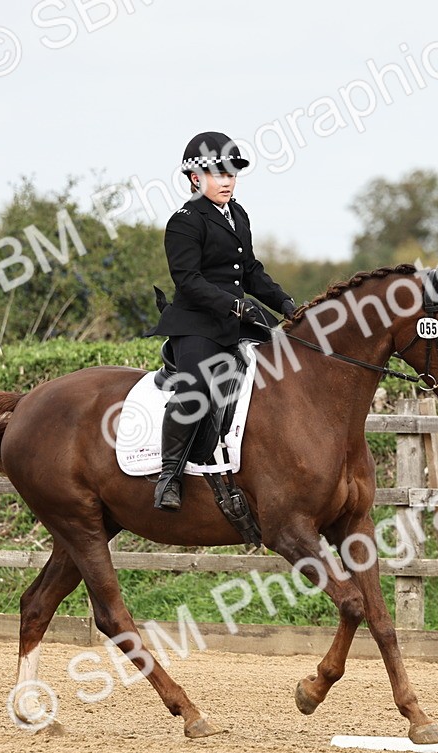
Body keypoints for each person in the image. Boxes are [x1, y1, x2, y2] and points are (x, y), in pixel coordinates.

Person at [147, 131, 296, 511]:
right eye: (218, 174)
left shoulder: (238, 215)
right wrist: (234, 306)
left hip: (238, 320)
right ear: (196, 178)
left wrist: (285, 303)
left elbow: (249, 271)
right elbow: (188, 281)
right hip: (196, 323)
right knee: (196, 386)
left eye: (232, 173)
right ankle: (169, 475)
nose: (227, 181)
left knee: (290, 361)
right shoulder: (184, 221)